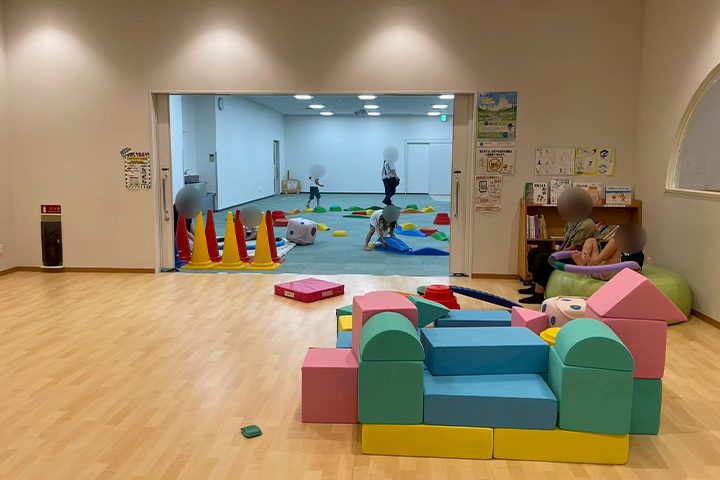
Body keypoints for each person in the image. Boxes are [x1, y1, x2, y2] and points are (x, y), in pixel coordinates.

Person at [519, 217, 598, 304]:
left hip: (575, 256)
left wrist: (556, 255)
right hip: (566, 251)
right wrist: (557, 252)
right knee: (533, 252)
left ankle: (538, 295)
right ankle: (534, 286)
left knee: (542, 258)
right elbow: (565, 241)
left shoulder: (586, 224)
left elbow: (576, 247)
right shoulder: (572, 222)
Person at [572, 237, 645, 280]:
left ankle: (594, 262)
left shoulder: (636, 251)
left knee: (615, 241)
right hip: (596, 268)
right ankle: (582, 262)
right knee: (591, 240)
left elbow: (637, 266)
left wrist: (636, 271)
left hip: (609, 270)